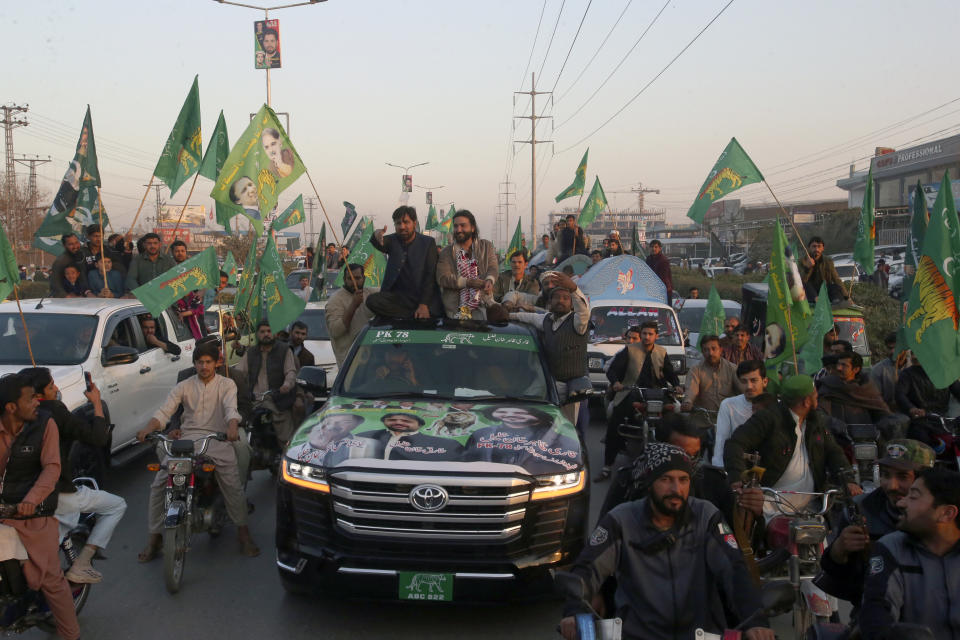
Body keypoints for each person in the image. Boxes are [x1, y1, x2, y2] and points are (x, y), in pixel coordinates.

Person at [559, 442, 773, 640]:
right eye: (665, 479)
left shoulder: (707, 516)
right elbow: (587, 569)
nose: (676, 489)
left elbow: (734, 568)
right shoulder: (620, 520)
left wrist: (755, 620)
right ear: (649, 483)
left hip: (701, 635)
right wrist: (575, 610)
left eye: (683, 480)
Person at [136, 341, 259, 560]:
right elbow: (165, 411)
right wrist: (147, 429)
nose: (204, 367)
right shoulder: (184, 385)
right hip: (187, 439)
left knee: (231, 484)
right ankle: (154, 538)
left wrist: (232, 426)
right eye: (200, 362)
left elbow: (232, 409)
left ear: (216, 363)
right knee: (159, 484)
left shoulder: (227, 384)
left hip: (217, 439)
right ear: (194, 363)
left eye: (208, 362)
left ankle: (243, 532)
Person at [19, 367, 126, 585]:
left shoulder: (13, 417)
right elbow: (97, 438)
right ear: (37, 396)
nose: (56, 389)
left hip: (22, 494)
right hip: (57, 494)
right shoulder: (53, 412)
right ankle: (83, 562)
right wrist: (96, 402)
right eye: (51, 386)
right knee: (117, 505)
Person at [0, 374, 81, 640]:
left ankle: (71, 634)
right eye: (30, 398)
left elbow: (52, 468)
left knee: (50, 579)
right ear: (11, 407)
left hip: (35, 510)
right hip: (3, 510)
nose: (37, 402)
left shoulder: (45, 425)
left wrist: (29, 502)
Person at [817, 439, 935, 610]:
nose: (891, 485)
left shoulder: (945, 514)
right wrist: (839, 550)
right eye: (886, 475)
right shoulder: (862, 508)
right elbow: (843, 577)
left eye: (903, 477)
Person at [724, 375, 860, 517]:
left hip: (812, 507)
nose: (817, 396)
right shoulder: (768, 418)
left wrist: (848, 481)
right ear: (806, 402)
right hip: (771, 506)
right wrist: (737, 477)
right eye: (814, 394)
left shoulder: (816, 421)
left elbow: (834, 452)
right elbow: (735, 444)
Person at [860, 467, 960, 640]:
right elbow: (876, 617)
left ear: (946, 513)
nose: (901, 503)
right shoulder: (891, 548)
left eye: (913, 497)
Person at [598, 321, 681, 481]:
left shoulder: (662, 352)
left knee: (674, 418)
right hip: (631, 392)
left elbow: (670, 373)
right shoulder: (629, 350)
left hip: (657, 392)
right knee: (616, 421)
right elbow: (613, 370)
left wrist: (677, 385)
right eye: (644, 333)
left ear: (656, 336)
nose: (647, 337)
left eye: (650, 334)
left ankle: (674, 459)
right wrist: (616, 382)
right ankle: (607, 466)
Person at [509, 271, 590, 424]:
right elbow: (528, 317)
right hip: (549, 384)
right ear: (550, 302)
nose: (561, 301)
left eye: (566, 298)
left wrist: (573, 288)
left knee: (568, 427)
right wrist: (507, 315)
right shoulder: (546, 320)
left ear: (571, 304)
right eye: (557, 297)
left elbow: (584, 310)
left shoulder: (578, 323)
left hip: (572, 387)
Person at [366, 206, 441, 319]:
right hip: (398, 299)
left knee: (433, 309)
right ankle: (411, 316)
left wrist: (423, 305)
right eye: (398, 223)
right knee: (372, 301)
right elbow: (379, 241)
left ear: (414, 223)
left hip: (420, 298)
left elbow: (430, 276)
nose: (402, 227)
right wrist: (376, 234)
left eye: (406, 222)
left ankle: (418, 312)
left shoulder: (428, 243)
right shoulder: (392, 240)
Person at [233, 321, 298, 445]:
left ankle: (284, 456)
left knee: (285, 435)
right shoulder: (251, 352)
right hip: (254, 399)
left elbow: (290, 372)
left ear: (275, 334)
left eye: (269, 331)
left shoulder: (284, 350)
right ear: (257, 334)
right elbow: (239, 373)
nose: (266, 334)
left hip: (276, 398)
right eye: (262, 332)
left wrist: (286, 385)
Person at [818, 351, 906, 440]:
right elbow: (820, 413)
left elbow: (882, 413)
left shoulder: (867, 388)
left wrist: (886, 423)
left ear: (855, 369)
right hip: (836, 437)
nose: (839, 368)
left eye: (844, 365)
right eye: (838, 364)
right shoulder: (828, 386)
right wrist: (836, 424)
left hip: (866, 439)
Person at [465, 405, 577, 474]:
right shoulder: (481, 433)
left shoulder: (562, 439)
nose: (510, 415)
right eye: (503, 412)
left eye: (520, 412)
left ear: (538, 416)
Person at [436, 210, 498, 320]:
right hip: (456, 311)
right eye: (455, 226)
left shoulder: (486, 246)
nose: (459, 230)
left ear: (472, 228)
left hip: (483, 306)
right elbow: (442, 278)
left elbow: (493, 267)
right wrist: (467, 282)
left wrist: (489, 280)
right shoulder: (447, 252)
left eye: (463, 226)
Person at [712, 360, 770, 467]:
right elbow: (721, 442)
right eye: (744, 381)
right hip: (737, 467)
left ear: (765, 381)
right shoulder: (728, 405)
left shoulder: (775, 406)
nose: (749, 386)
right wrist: (720, 470)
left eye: (754, 380)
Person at [326, 263, 377, 367]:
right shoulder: (335, 301)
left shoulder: (370, 293)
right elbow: (336, 331)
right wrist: (353, 305)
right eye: (350, 278)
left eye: (358, 278)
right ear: (344, 280)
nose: (354, 282)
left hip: (373, 363)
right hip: (350, 365)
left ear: (364, 279)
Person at [357, 412, 462, 461]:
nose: (398, 422)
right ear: (384, 422)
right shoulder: (363, 436)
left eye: (406, 421)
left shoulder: (447, 444)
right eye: (392, 420)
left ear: (419, 425)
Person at [682, 335, 742, 415]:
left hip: (727, 418)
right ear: (702, 352)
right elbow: (691, 390)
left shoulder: (732, 369)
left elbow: (742, 389)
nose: (710, 353)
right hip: (702, 419)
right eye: (706, 350)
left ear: (720, 350)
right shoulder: (695, 369)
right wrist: (688, 402)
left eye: (714, 349)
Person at [799, 236, 845, 303]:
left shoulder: (828, 261)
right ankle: (817, 301)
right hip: (809, 292)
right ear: (809, 248)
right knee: (806, 284)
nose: (816, 249)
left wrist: (846, 296)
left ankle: (836, 302)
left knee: (836, 286)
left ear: (822, 248)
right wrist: (807, 267)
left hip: (824, 289)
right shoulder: (802, 261)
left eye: (819, 246)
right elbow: (801, 280)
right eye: (814, 246)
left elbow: (836, 279)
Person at [49, 233, 91, 298]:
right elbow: (55, 283)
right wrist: (66, 296)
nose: (75, 246)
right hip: (68, 299)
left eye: (76, 242)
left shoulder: (83, 254)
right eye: (71, 244)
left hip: (84, 296)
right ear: (64, 246)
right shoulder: (61, 261)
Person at [870, 332, 900, 411]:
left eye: (896, 348)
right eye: (890, 348)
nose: (893, 351)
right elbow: (875, 398)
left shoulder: (915, 366)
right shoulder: (878, 370)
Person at [645, 239, 673, 304]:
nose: (653, 249)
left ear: (660, 248)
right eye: (652, 247)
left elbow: (663, 277)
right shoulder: (648, 259)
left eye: (656, 247)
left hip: (664, 290)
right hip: (652, 289)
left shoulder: (663, 260)